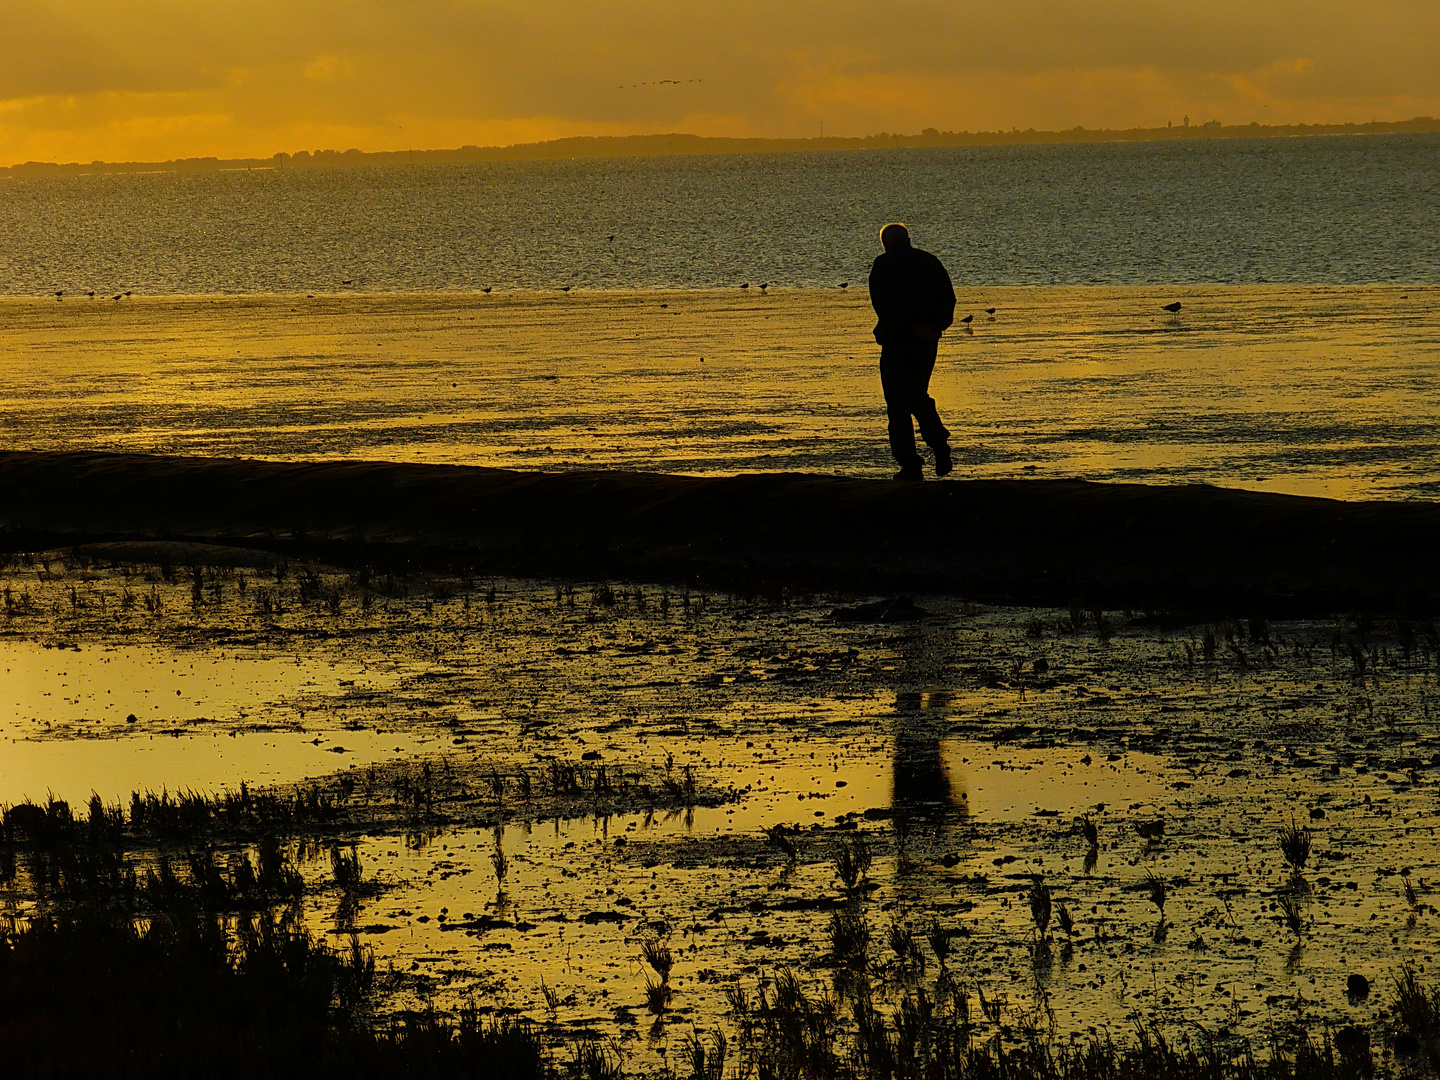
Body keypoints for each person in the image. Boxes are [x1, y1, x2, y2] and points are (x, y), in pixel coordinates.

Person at [868, 222, 956, 480]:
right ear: (907, 239)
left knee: (897, 405)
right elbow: (948, 299)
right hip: (926, 341)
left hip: (898, 342)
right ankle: (939, 444)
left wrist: (911, 327)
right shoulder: (930, 262)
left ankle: (910, 464)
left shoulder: (883, 265)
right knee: (917, 395)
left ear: (885, 243)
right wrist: (935, 328)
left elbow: (883, 305)